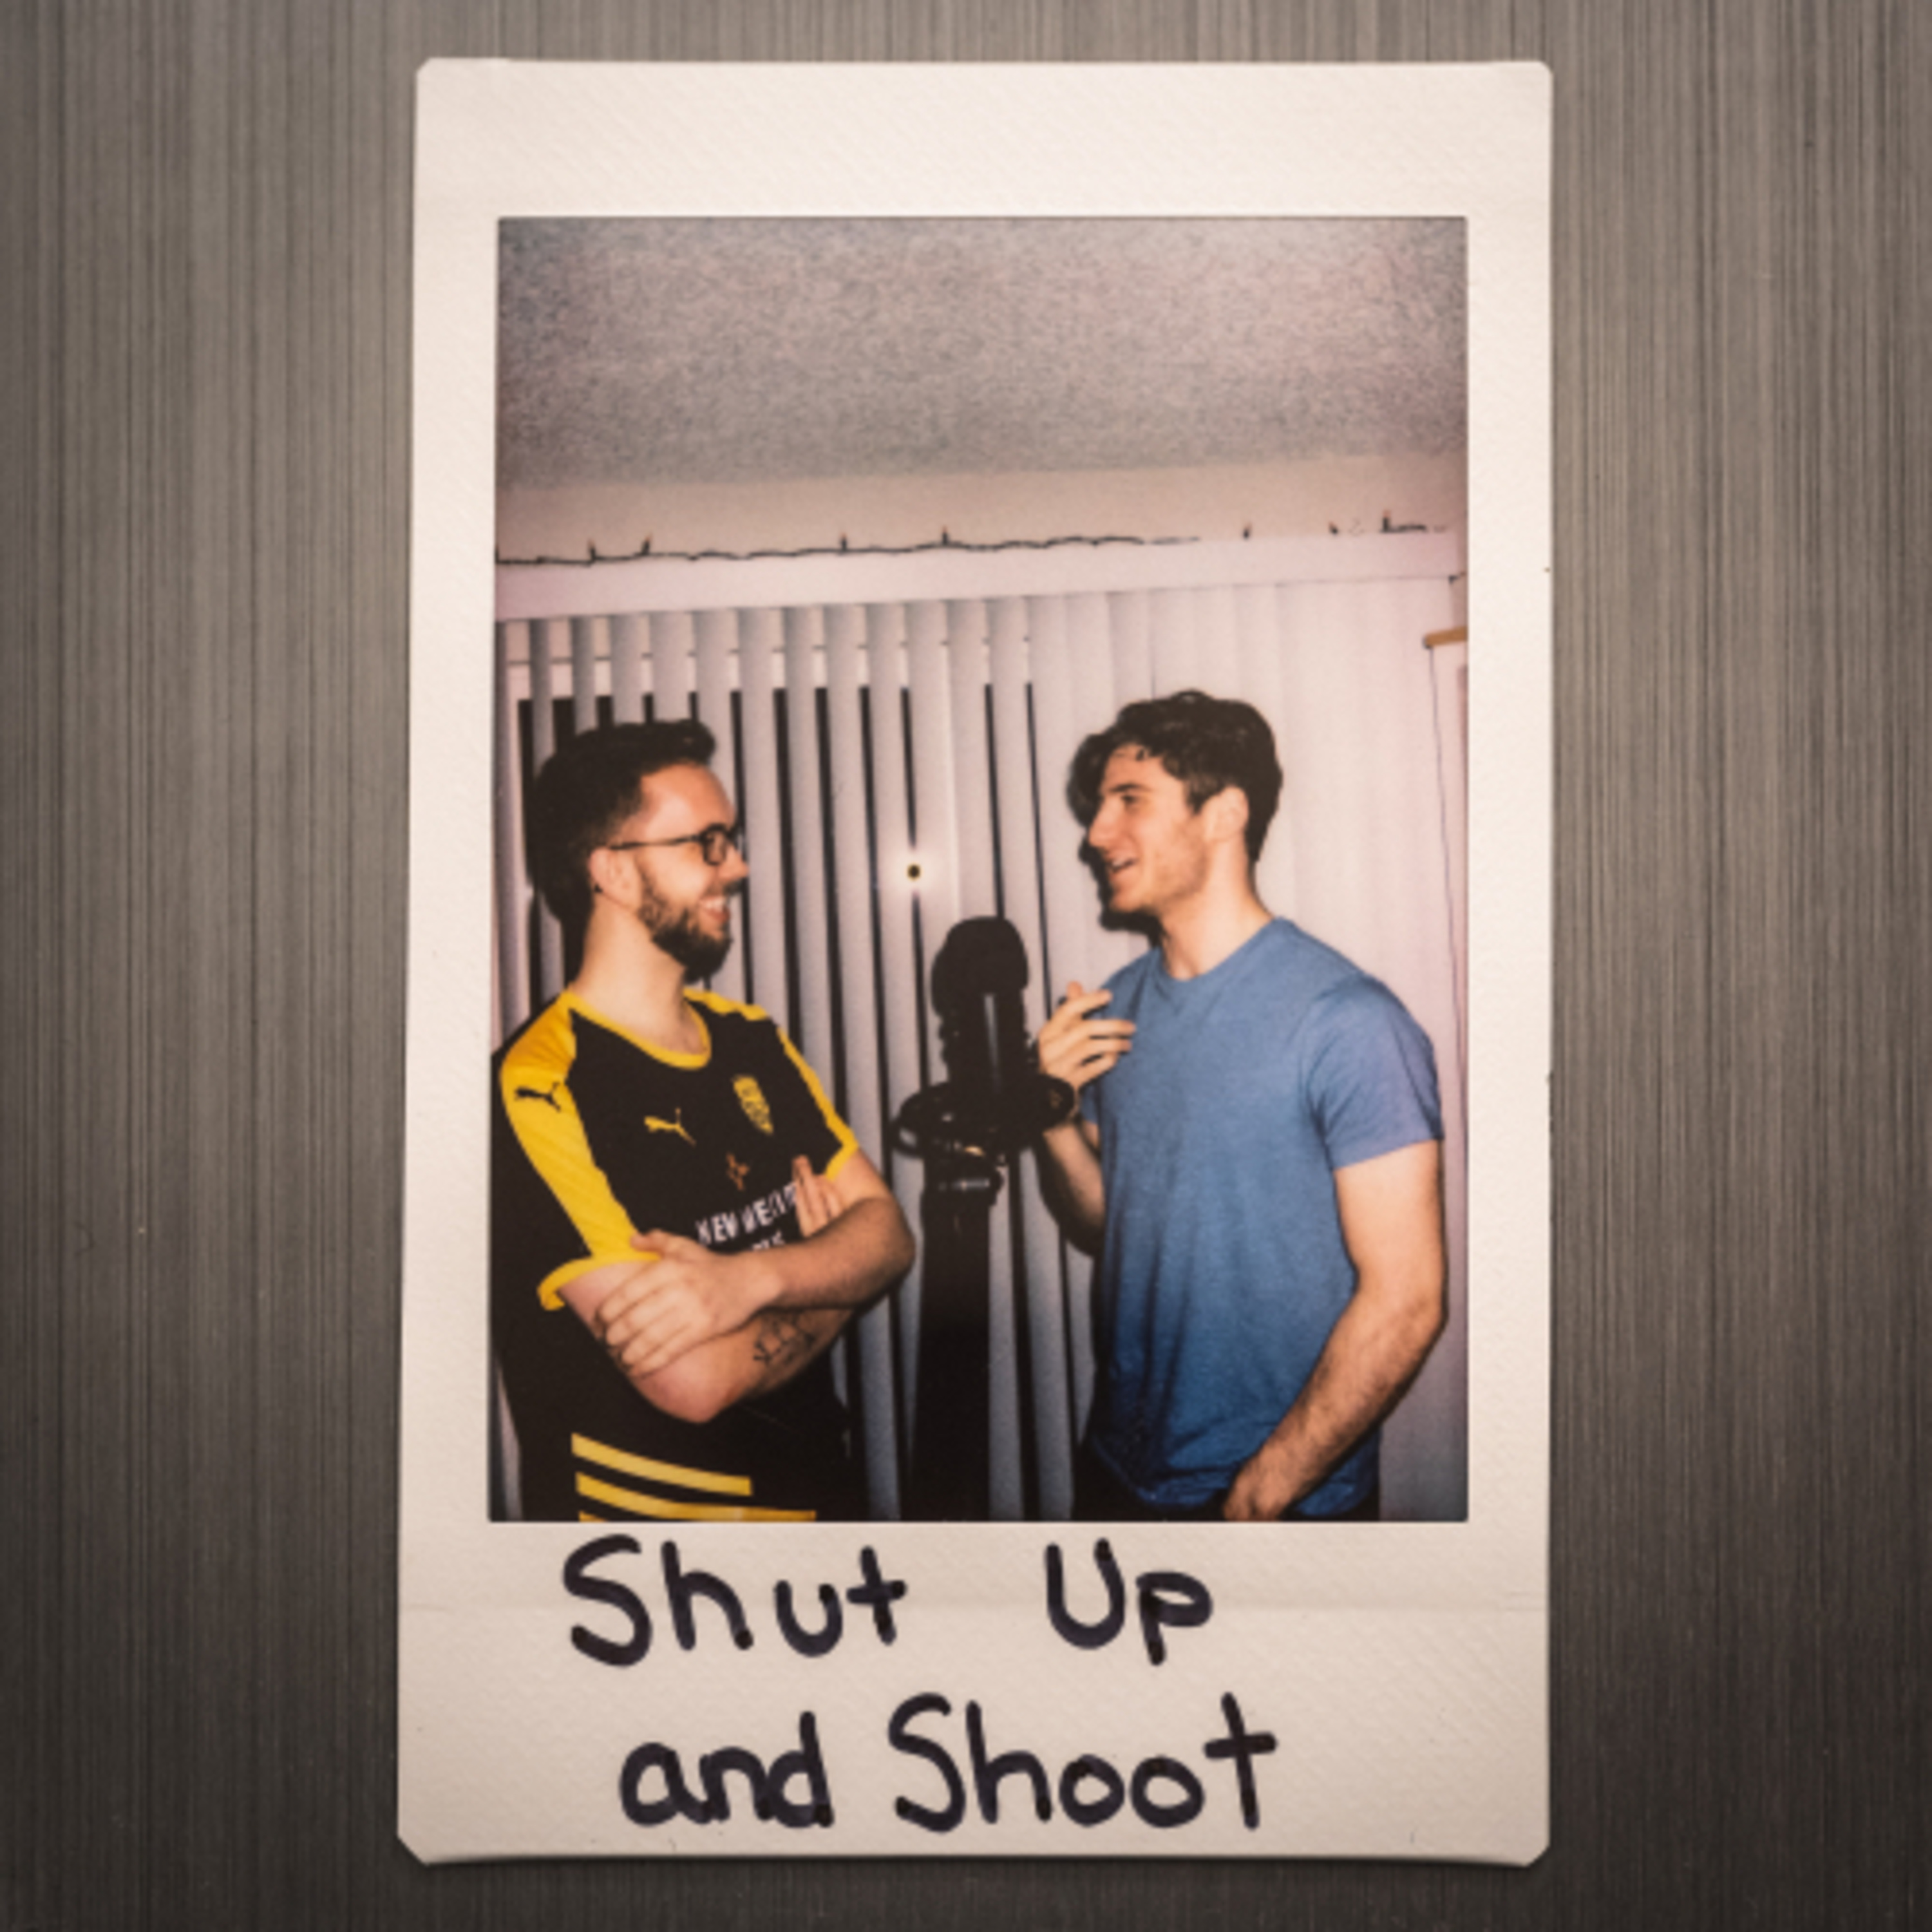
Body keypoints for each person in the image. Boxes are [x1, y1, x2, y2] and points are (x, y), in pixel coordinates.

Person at [1034, 691, 1446, 1522]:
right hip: (1117, 1470)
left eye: (1129, 801)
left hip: (1271, 1498)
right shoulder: (1114, 1007)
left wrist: (1262, 1493)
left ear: (1224, 814)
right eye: (1100, 807)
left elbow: (1407, 1299)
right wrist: (1052, 1117)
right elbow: (1109, 1224)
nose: (1096, 834)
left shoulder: (1350, 1022)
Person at [491, 719, 914, 1522]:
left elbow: (890, 1236)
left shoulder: (752, 1040)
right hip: (658, 1558)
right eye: (707, 843)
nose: (738, 866)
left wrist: (751, 1280)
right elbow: (693, 1382)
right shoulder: (539, 1088)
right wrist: (832, 1276)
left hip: (819, 1502)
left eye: (732, 840)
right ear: (615, 871)